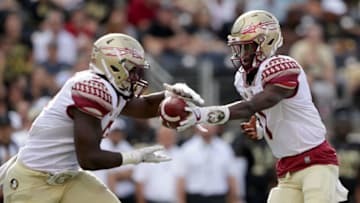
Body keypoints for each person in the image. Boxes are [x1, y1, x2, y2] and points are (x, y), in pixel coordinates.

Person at [0, 33, 204, 203]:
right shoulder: (93, 87)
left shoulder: (110, 89)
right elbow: (89, 158)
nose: (137, 77)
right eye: (133, 70)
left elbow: (142, 107)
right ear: (113, 65)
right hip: (34, 180)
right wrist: (135, 157)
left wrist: (171, 95)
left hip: (69, 177)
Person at [172, 10, 348, 203]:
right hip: (287, 167)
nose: (241, 54)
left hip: (316, 161)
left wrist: (201, 114)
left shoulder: (282, 66)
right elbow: (270, 112)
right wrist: (261, 127)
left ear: (266, 42)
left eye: (247, 47)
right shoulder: (242, 78)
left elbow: (255, 105)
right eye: (238, 47)